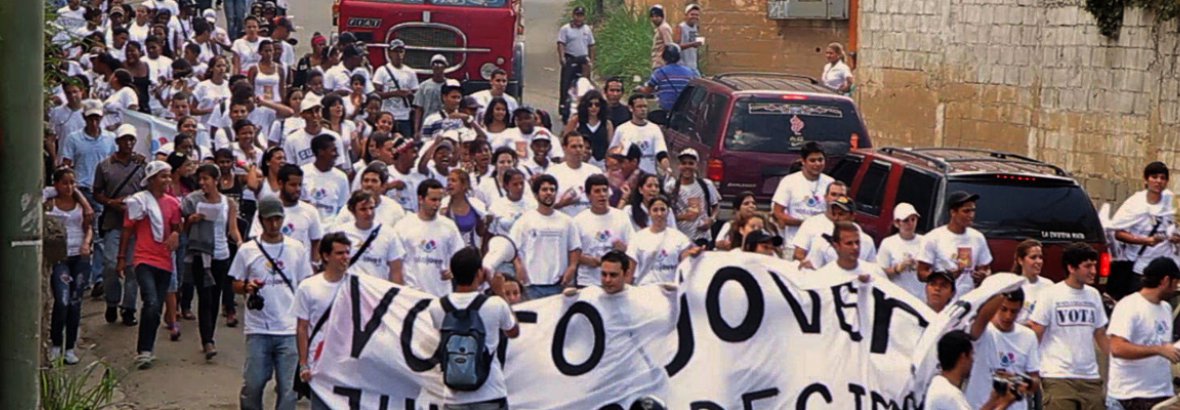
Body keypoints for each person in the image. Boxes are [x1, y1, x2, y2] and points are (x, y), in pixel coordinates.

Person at [231, 195, 312, 410]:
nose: (274, 224)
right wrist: (247, 286)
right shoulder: (248, 250)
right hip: (258, 328)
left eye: (277, 219)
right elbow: (235, 283)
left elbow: (306, 285)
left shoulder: (296, 248)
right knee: (254, 383)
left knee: (288, 389)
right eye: (269, 220)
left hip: (288, 329)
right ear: (261, 220)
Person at [428, 247, 519, 409]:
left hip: (453, 397)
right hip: (490, 393)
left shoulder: (437, 306)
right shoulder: (495, 304)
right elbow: (513, 331)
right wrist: (499, 292)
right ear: (479, 273)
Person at [117, 160, 184, 369]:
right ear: (152, 179)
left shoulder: (173, 204)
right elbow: (127, 231)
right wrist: (121, 258)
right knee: (151, 301)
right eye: (163, 176)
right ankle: (143, 351)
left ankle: (148, 347)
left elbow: (177, 227)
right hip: (144, 259)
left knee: (155, 308)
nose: (167, 180)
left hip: (165, 260)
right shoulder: (139, 202)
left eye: (168, 175)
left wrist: (175, 234)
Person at [1027, 242, 1109, 410]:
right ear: (1071, 268)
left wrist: (1117, 361)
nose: (1093, 271)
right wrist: (1030, 368)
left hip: (1090, 377)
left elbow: (1100, 333)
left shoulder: (1093, 295)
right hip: (1057, 376)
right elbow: (1036, 333)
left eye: (1094, 266)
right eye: (1087, 266)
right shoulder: (1050, 294)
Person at [181, 163, 242, 360]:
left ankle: (210, 334)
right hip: (201, 254)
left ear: (216, 180)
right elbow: (182, 226)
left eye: (206, 179)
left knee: (215, 297)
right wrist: (192, 220)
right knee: (205, 296)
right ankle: (207, 340)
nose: (203, 183)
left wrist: (240, 243)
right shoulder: (192, 200)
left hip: (221, 254)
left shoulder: (228, 203)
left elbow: (232, 228)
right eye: (200, 179)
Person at [1108, 257, 1180, 409]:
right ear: (1166, 280)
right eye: (1176, 282)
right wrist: (1158, 350)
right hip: (1129, 395)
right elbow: (1117, 348)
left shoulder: (1165, 308)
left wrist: (1171, 349)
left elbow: (1162, 344)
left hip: (1161, 394)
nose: (1177, 288)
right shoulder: (1129, 306)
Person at [94, 127, 146, 326]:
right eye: (125, 140)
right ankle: (112, 301)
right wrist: (111, 202)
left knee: (133, 267)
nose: (129, 144)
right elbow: (97, 191)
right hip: (113, 221)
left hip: (135, 222)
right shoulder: (105, 166)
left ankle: (129, 307)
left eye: (132, 140)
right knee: (110, 264)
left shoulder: (140, 165)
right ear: (118, 142)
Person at [61, 103, 116, 294]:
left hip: (100, 191)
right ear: (84, 119)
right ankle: (82, 276)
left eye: (97, 118)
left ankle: (97, 278)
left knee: (98, 236)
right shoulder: (73, 139)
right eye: (90, 118)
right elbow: (66, 165)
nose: (94, 122)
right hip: (80, 189)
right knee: (82, 232)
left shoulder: (110, 139)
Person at [1108, 161, 1178, 300]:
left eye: (1162, 178)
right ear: (1146, 180)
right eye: (1154, 177)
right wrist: (1145, 241)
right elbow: (1118, 232)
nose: (1158, 181)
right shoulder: (1135, 203)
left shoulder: (1172, 202)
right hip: (1140, 269)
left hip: (1165, 269)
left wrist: (1175, 238)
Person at [963, 289, 1042, 410]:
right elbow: (980, 318)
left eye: (1014, 311)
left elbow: (1035, 381)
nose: (1008, 316)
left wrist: (1020, 380)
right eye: (1003, 309)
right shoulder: (981, 331)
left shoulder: (1028, 336)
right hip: (979, 405)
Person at [46, 168, 93, 366]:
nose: (69, 187)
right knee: (62, 300)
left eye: (72, 183)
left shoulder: (81, 207)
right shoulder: (51, 203)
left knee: (75, 303)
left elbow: (89, 227)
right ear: (56, 184)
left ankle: (70, 347)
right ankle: (56, 343)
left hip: (79, 257)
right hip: (60, 257)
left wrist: (86, 244)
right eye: (64, 183)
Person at [295, 233, 351, 394]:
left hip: (345, 361)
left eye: (347, 252)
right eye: (339, 253)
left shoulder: (355, 286)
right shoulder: (308, 287)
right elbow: (302, 328)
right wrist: (304, 363)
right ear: (326, 256)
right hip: (318, 362)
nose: (345, 257)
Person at [510, 174, 582, 298]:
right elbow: (511, 248)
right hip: (531, 285)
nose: (548, 193)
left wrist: (572, 267)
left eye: (552, 190)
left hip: (559, 284)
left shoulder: (567, 221)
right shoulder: (524, 220)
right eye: (544, 190)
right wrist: (518, 266)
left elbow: (575, 247)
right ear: (536, 194)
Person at [393, 179, 466, 295]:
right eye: (433, 200)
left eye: (439, 200)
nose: (437, 204)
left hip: (441, 293)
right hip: (411, 294)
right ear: (420, 199)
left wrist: (453, 270)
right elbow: (395, 262)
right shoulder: (402, 226)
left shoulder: (449, 226)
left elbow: (460, 256)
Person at [917, 191, 992, 296]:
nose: (971, 215)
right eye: (966, 211)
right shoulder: (933, 237)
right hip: (941, 300)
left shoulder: (978, 238)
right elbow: (921, 273)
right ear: (953, 212)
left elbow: (986, 268)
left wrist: (984, 276)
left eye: (973, 211)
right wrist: (945, 277)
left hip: (967, 300)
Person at [249, 164, 324, 265]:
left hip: (301, 270)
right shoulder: (266, 209)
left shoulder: (310, 211)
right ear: (280, 184)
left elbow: (316, 241)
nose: (297, 189)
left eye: (300, 185)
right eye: (293, 185)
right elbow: (256, 238)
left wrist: (315, 264)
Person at [927, 330, 1021, 410]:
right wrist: (1006, 402)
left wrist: (993, 401)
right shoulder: (948, 394)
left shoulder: (940, 384)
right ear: (963, 356)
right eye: (971, 354)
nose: (973, 360)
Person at [328, 191, 404, 282]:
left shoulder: (389, 234)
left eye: (372, 208)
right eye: (363, 209)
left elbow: (396, 270)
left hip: (377, 290)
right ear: (353, 211)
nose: (369, 213)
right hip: (347, 289)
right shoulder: (341, 233)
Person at [574, 174, 634, 287]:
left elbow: (634, 250)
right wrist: (589, 260)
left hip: (616, 282)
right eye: (597, 191)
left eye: (604, 190)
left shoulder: (621, 217)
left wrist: (624, 249)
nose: (602, 195)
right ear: (588, 195)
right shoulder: (578, 221)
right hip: (588, 282)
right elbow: (572, 253)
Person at [771, 141, 833, 248]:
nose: (817, 164)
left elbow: (835, 211)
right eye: (812, 160)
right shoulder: (789, 181)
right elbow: (778, 212)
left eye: (820, 160)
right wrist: (804, 223)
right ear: (803, 161)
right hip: (793, 244)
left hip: (821, 245)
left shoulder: (830, 182)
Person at [628, 195, 700, 284]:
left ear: (668, 212)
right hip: (645, 290)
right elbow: (630, 271)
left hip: (670, 291)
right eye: (655, 210)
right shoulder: (638, 238)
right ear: (649, 212)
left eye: (662, 209)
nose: (659, 214)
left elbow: (685, 268)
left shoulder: (679, 238)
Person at [666, 148, 718, 246]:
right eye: (684, 163)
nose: (687, 166)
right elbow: (667, 213)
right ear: (679, 165)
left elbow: (715, 205)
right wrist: (683, 217)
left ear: (696, 166)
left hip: (702, 237)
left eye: (691, 163)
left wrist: (711, 220)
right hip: (680, 238)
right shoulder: (670, 187)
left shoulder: (706, 184)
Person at [790, 184, 851, 268]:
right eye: (833, 194)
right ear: (826, 197)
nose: (836, 198)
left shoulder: (856, 231)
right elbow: (798, 254)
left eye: (841, 195)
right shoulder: (811, 223)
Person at [609, 94, 669, 176]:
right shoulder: (622, 129)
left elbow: (661, 153)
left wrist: (667, 169)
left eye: (645, 106)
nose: (643, 109)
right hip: (627, 176)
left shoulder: (654, 129)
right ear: (631, 108)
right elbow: (613, 152)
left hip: (648, 175)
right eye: (639, 106)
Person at [875, 203, 925, 301]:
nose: (910, 224)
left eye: (913, 219)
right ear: (897, 223)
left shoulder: (925, 241)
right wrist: (897, 269)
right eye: (906, 220)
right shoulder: (888, 243)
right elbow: (880, 272)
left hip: (920, 297)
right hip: (896, 297)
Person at [299, 134, 350, 226]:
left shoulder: (341, 178)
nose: (337, 154)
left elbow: (343, 208)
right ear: (321, 152)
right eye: (333, 150)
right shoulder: (302, 173)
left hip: (331, 231)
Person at [372, 39, 418, 139]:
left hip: (404, 117)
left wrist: (409, 94)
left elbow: (415, 95)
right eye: (395, 51)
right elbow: (375, 94)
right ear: (389, 53)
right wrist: (396, 93)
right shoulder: (382, 71)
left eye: (401, 51)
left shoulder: (410, 72)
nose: (398, 54)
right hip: (387, 115)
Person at [549, 132, 602, 217]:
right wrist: (562, 203)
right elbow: (545, 207)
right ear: (564, 148)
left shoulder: (595, 172)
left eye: (581, 146)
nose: (578, 150)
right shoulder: (553, 173)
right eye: (574, 146)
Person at [557, 6, 595, 122]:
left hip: (583, 60)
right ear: (573, 15)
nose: (579, 18)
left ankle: (583, 107)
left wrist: (591, 61)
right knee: (566, 83)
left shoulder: (587, 30)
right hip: (571, 58)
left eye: (581, 15)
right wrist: (562, 57)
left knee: (584, 84)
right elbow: (561, 43)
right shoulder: (566, 29)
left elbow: (591, 45)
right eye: (577, 15)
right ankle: (564, 107)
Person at [813, 221, 884, 281]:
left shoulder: (870, 271)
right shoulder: (824, 273)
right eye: (849, 243)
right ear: (836, 246)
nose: (855, 247)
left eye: (857, 242)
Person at [639, 44, 699, 111]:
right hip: (685, 110)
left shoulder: (660, 72)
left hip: (666, 110)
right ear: (678, 57)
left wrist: (640, 89)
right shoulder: (691, 71)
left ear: (663, 57)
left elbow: (648, 91)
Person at [564, 90, 613, 168]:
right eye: (590, 105)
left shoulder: (607, 124)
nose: (594, 107)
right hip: (580, 162)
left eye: (597, 105)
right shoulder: (576, 121)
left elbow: (610, 147)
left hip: (600, 163)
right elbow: (565, 141)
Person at [442, 168, 489, 249]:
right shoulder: (442, 204)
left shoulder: (476, 205)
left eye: (453, 181)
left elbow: (481, 232)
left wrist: (485, 221)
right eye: (448, 181)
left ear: (464, 185)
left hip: (471, 254)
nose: (449, 183)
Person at [1011, 239, 1051, 325]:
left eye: (1040, 257)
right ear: (1020, 260)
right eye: (1033, 257)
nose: (1039, 261)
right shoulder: (1012, 285)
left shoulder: (1049, 285)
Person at [415, 54, 450, 132]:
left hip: (445, 124)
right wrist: (416, 130)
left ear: (445, 67)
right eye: (435, 64)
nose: (437, 66)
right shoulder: (423, 86)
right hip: (427, 124)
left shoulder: (450, 85)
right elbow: (419, 109)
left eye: (441, 64)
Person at [674, 4, 703, 71]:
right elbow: (676, 47)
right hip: (682, 66)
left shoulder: (696, 27)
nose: (695, 17)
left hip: (693, 66)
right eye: (692, 14)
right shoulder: (681, 27)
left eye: (697, 15)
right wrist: (692, 44)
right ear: (686, 15)